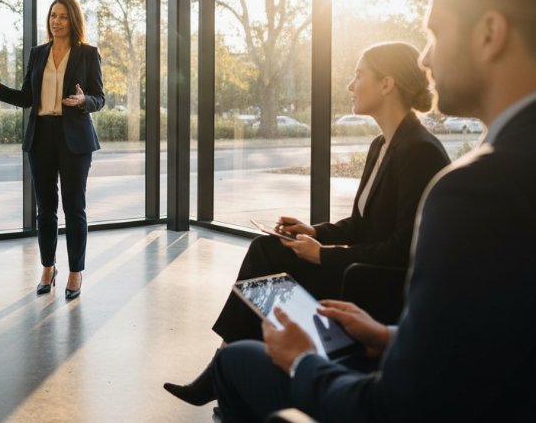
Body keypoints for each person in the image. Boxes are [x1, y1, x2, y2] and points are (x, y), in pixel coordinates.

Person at [203, 0, 536, 421]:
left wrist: (304, 362)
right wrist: (392, 337)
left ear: (490, 32)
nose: (425, 57)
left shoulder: (482, 189)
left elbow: (395, 409)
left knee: (240, 365)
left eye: (435, 32)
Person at [164, 42, 450, 406]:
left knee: (265, 258)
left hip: (375, 283)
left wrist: (323, 256)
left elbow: (401, 249)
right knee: (266, 249)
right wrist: (314, 232)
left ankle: (225, 370)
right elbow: (361, 224)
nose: (350, 85)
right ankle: (227, 368)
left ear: (387, 84)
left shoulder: (418, 150)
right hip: (358, 268)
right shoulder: (383, 144)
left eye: (359, 75)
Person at [0, 0, 104, 299]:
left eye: (63, 17)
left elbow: (100, 98)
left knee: (74, 209)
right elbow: (28, 98)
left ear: (74, 21)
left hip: (75, 140)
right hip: (40, 136)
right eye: (53, 15)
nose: (56, 21)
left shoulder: (87, 54)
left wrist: (84, 102)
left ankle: (75, 272)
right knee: (45, 211)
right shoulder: (38, 53)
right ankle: (47, 267)